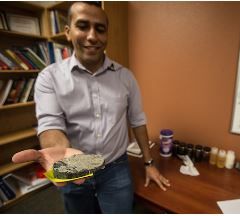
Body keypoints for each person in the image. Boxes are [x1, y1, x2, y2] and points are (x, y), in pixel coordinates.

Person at [12, 1, 170, 214]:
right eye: (83, 26)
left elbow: (138, 121)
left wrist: (149, 163)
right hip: (73, 169)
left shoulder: (126, 77)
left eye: (100, 29)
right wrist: (59, 152)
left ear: (107, 35)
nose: (92, 36)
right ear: (68, 32)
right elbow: (50, 124)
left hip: (116, 168)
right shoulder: (49, 78)